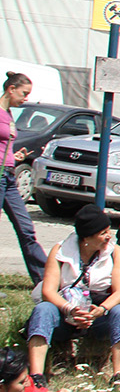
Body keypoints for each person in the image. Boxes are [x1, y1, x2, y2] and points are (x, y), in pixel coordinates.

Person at [25, 204, 120, 392]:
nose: (109, 236)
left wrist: (101, 310)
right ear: (86, 238)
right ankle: (36, 377)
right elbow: (48, 292)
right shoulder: (59, 252)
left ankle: (118, 377)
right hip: (65, 313)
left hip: (97, 315)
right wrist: (70, 309)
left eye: (108, 231)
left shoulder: (116, 253)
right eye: (103, 233)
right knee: (43, 310)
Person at [0, 73, 47, 282]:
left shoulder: (8, 114)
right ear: (11, 89)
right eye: (24, 93)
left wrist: (14, 157)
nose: (26, 98)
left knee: (26, 227)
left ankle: (44, 280)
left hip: (9, 178)